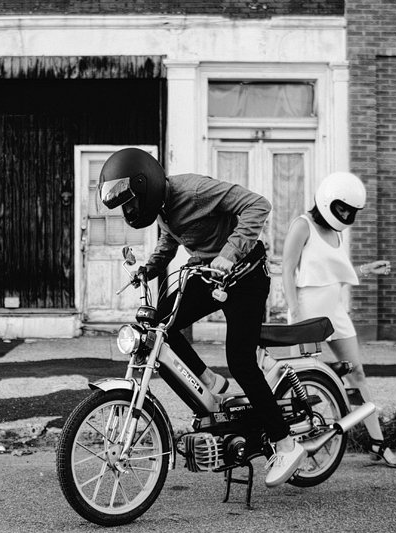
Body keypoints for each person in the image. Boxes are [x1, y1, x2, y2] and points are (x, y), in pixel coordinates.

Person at [99, 147, 306, 487]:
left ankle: (285, 443)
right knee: (157, 325)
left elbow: (258, 205)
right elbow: (173, 239)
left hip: (246, 275)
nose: (129, 210)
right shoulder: (162, 206)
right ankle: (209, 381)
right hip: (210, 274)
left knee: (240, 360)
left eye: (130, 202)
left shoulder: (195, 190)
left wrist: (229, 253)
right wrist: (148, 269)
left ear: (145, 185)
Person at [281, 171, 396, 468]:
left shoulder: (336, 232)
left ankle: (378, 443)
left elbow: (335, 271)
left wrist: (366, 270)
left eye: (351, 211)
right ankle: (298, 449)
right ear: (327, 200)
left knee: (357, 374)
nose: (347, 214)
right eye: (342, 208)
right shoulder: (302, 225)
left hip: (335, 311)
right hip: (308, 312)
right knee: (304, 384)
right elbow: (287, 269)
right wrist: (295, 311)